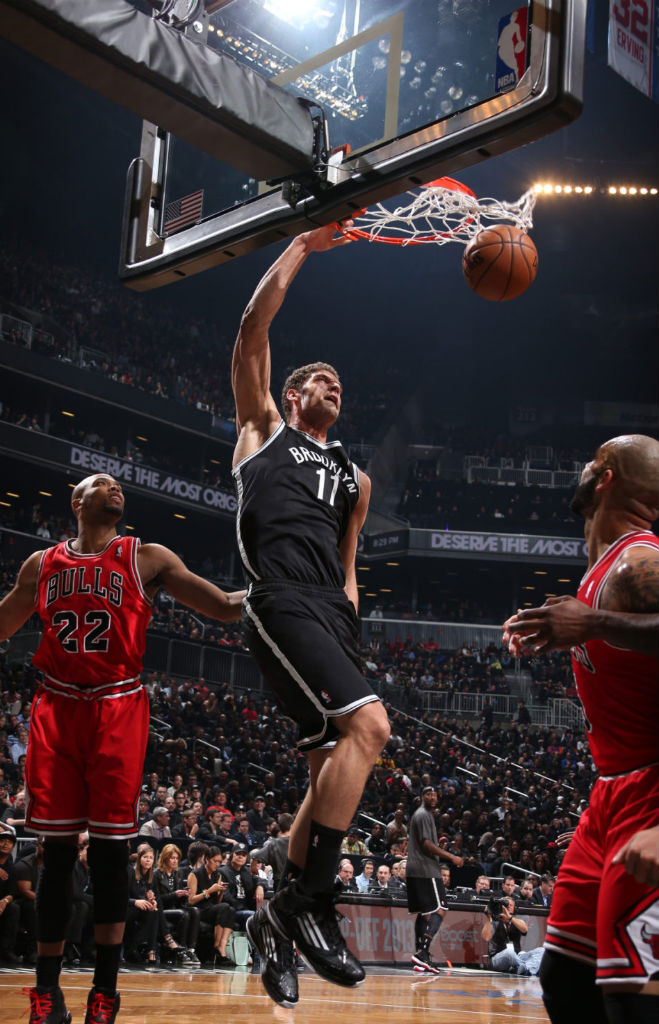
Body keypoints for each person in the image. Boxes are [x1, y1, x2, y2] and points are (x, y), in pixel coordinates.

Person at [0, 471, 245, 1024]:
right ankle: (47, 994)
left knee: (110, 855)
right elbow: (4, 620)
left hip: (116, 705)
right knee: (56, 857)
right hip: (57, 708)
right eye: (102, 480)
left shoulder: (146, 556)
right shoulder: (41, 565)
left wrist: (276, 591)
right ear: (76, 501)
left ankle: (104, 995)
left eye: (119, 484)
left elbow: (227, 607)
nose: (115, 486)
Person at [232, 222, 391, 1008]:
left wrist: (350, 628)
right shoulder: (262, 429)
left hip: (332, 611)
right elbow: (252, 326)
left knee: (327, 771)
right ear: (293, 395)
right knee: (371, 730)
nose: (331, 385)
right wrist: (300, 245)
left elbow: (352, 565)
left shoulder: (355, 479)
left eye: (338, 381)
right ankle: (308, 902)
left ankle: (270, 924)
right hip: (279, 597)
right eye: (318, 379)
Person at [503, 434, 659, 1024]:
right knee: (566, 978)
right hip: (611, 795)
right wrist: (565, 621)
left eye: (592, 461)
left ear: (606, 477)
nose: (583, 469)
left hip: (652, 797)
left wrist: (591, 620)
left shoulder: (638, 563)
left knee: (631, 1002)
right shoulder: (604, 570)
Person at [406, 786, 464, 974]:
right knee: (441, 908)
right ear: (422, 797)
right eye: (428, 794)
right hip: (426, 869)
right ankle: (422, 953)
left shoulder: (422, 815)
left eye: (435, 795)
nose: (432, 797)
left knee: (425, 912)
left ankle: (420, 957)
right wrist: (451, 857)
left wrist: (440, 845)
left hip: (416, 868)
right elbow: (426, 844)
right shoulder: (423, 815)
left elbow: (427, 842)